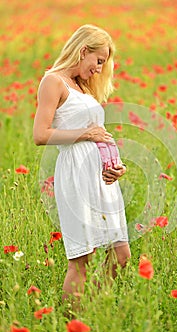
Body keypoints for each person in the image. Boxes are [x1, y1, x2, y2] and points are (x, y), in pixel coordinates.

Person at [33, 24, 131, 309]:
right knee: (82, 259)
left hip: (102, 178)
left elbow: (100, 133)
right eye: (98, 60)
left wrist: (117, 165)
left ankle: (91, 311)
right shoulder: (53, 82)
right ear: (83, 50)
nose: (100, 69)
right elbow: (41, 135)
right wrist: (86, 134)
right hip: (76, 174)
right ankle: (69, 326)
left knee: (121, 254)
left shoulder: (84, 88)